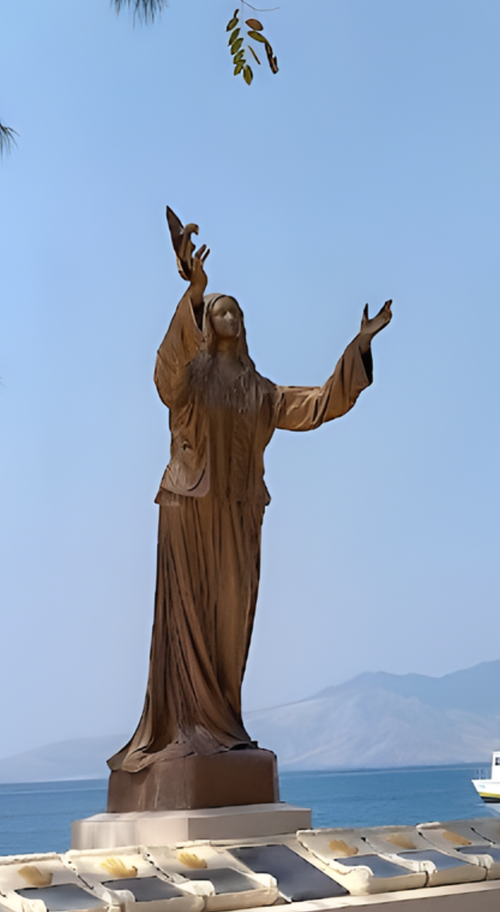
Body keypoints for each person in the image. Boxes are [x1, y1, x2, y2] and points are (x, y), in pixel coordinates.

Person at [111, 208, 392, 777]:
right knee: (188, 618)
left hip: (239, 517)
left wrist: (357, 348)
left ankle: (223, 729)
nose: (229, 315)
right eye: (220, 310)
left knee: (233, 620)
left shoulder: (259, 391)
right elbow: (165, 374)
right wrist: (194, 290)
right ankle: (185, 730)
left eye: (235, 310)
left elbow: (316, 405)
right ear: (206, 322)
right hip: (189, 507)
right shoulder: (189, 378)